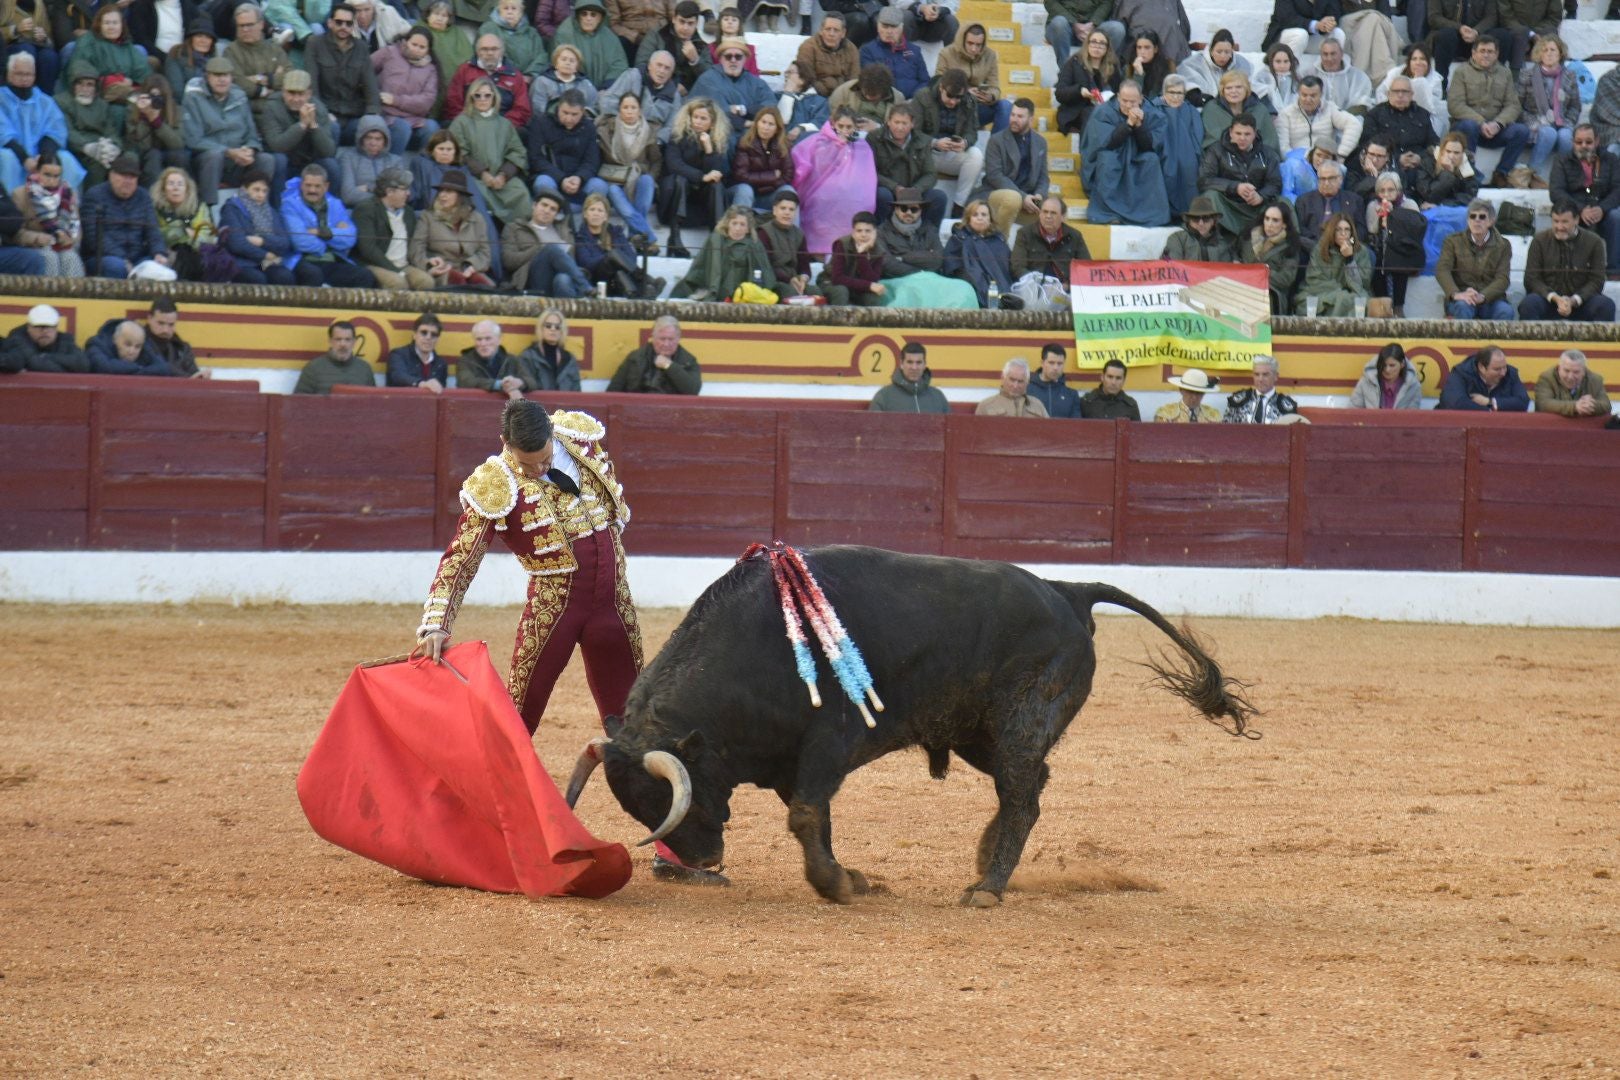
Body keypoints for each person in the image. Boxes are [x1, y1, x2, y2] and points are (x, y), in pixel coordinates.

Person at [410, 400, 710, 885]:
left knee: (638, 726)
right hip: (554, 610)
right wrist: (436, 622)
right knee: (515, 722)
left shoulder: (581, 440)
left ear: (552, 433)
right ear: (507, 447)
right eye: (527, 463)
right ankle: (457, 834)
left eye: (544, 457)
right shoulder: (495, 482)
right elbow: (460, 560)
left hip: (613, 607)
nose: (539, 468)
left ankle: (671, 850)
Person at [1080, 79, 1170, 227]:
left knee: (1151, 160)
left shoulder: (1153, 113)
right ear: (1117, 96)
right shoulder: (1103, 111)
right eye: (1124, 100)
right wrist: (1128, 124)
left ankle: (1148, 214)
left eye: (1133, 102)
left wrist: (1139, 125)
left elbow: (1150, 146)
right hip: (1113, 153)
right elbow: (1107, 143)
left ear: (1141, 99)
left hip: (1138, 156)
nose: (1128, 105)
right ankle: (1110, 213)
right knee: (1107, 160)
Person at [449, 74, 533, 227]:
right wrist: (483, 173)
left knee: (521, 193)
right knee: (476, 194)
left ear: (494, 98)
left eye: (487, 95)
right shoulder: (461, 122)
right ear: (471, 97)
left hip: (503, 180)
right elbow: (460, 153)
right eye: (478, 95)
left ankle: (519, 236)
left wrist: (503, 175)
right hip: (475, 177)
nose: (482, 99)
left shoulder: (504, 124)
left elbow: (517, 152)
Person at [792, 109, 875, 259]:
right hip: (819, 191)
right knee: (823, 203)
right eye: (840, 126)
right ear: (833, 124)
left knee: (860, 203)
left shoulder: (862, 146)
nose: (844, 130)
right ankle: (820, 257)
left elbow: (867, 176)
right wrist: (835, 148)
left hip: (852, 195)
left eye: (849, 127)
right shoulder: (818, 141)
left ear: (855, 127)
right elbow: (806, 167)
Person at [1448, 36, 1528, 189]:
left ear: (1497, 54)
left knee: (1521, 131)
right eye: (1482, 51)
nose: (1486, 55)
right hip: (1467, 129)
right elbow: (1455, 105)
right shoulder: (1462, 72)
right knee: (1469, 126)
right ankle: (1467, 173)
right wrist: (1481, 122)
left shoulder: (1505, 73)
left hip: (1495, 130)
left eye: (1490, 51)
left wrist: (1498, 124)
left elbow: (1513, 105)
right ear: (1473, 53)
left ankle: (1501, 174)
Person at [281, 162, 377, 288]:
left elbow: (350, 238)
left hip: (332, 260)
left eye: (317, 186)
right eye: (308, 185)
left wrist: (320, 232)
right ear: (301, 185)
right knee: (314, 274)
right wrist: (334, 237)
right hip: (302, 260)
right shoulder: (290, 205)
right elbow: (300, 241)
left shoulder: (336, 204)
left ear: (326, 186)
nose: (312, 190)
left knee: (365, 276)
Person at [0, 52, 84, 195]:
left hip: (40, 155)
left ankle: (67, 209)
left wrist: (44, 157)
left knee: (66, 159)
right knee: (6, 158)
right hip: (12, 152)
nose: (24, 79)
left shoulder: (45, 101)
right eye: (19, 74)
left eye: (29, 74)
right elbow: (3, 132)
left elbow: (55, 130)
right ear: (9, 75)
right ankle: (12, 208)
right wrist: (24, 158)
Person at [659, 96, 733, 255]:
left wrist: (708, 149)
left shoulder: (717, 141)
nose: (698, 121)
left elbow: (718, 173)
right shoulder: (677, 135)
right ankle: (674, 237)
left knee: (717, 185)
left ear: (712, 123)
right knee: (681, 179)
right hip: (675, 202)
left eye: (703, 118)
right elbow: (674, 165)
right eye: (695, 117)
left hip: (700, 205)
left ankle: (717, 239)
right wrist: (701, 177)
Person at [1519, 202, 1615, 323]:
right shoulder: (1539, 240)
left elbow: (1597, 280)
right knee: (1529, 303)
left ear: (1576, 220)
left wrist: (1573, 301)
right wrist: (1555, 298)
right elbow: (1531, 279)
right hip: (1549, 301)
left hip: (1581, 302)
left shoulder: (1594, 242)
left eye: (1564, 222)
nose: (1559, 227)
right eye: (1556, 221)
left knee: (1605, 305)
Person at [79, 154, 169, 277]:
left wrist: (158, 252)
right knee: (117, 267)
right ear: (111, 175)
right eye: (123, 176)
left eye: (132, 177)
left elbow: (152, 229)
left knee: (158, 269)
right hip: (103, 257)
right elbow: (94, 237)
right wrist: (122, 258)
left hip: (137, 257)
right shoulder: (94, 196)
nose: (128, 181)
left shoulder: (143, 196)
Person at [306, 4, 385, 145]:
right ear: (330, 23)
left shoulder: (361, 47)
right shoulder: (315, 43)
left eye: (349, 23)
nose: (344, 27)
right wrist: (323, 113)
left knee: (374, 128)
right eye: (339, 22)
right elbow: (312, 85)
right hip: (326, 113)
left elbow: (370, 85)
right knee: (332, 128)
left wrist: (372, 115)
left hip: (353, 114)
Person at [595, 90, 661, 252]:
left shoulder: (649, 131)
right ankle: (648, 237)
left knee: (647, 181)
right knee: (613, 191)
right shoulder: (607, 129)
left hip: (638, 179)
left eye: (633, 107)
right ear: (619, 110)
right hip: (614, 180)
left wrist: (650, 176)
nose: (630, 111)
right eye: (625, 107)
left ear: (639, 110)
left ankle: (634, 233)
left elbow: (656, 160)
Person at [1198, 112, 1281, 238]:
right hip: (1227, 206)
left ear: (1255, 134)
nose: (1242, 138)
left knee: (1283, 202)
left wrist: (1261, 196)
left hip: (1256, 206)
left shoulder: (1268, 153)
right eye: (1238, 133)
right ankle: (1218, 238)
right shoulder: (1215, 150)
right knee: (1210, 196)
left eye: (1247, 134)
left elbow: (1275, 183)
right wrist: (1235, 187)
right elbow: (1204, 180)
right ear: (1231, 132)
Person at [1551, 125, 1620, 277]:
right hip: (1575, 208)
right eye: (1579, 142)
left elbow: (1617, 189)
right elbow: (1556, 191)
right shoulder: (1562, 160)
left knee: (1616, 218)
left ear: (1597, 141)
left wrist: (1602, 208)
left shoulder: (1611, 159)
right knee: (1567, 218)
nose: (1583, 146)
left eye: (1588, 142)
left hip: (1603, 208)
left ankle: (1614, 271)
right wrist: (1581, 209)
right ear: (1572, 142)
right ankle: (1578, 270)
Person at [411, 167, 495, 287]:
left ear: (461, 196)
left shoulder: (477, 219)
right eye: (441, 191)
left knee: (486, 287)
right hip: (442, 269)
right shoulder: (428, 217)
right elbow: (416, 250)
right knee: (458, 283)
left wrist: (471, 266)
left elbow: (485, 253)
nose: (442, 195)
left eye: (449, 191)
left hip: (469, 269)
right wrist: (429, 264)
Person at [352, 167, 436, 289]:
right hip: (375, 264)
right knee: (398, 283)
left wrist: (427, 262)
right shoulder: (366, 209)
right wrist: (395, 271)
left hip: (403, 265)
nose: (408, 193)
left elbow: (414, 244)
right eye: (405, 189)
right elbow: (368, 249)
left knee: (426, 282)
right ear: (389, 191)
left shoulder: (408, 212)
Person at [671, 203, 773, 300]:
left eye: (742, 224)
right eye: (734, 223)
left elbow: (763, 271)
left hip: (743, 294)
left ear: (748, 229)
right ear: (728, 224)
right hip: (719, 289)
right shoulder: (715, 240)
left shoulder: (755, 244)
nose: (738, 228)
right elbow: (700, 265)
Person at [912, 67, 981, 210]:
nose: (953, 101)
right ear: (941, 87)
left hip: (952, 151)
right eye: (950, 95)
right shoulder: (922, 96)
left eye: (958, 97)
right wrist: (934, 143)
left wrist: (965, 143)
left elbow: (972, 132)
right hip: (926, 152)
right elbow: (913, 132)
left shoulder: (969, 101)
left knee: (976, 155)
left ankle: (959, 206)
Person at [502, 189, 593, 296]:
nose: (547, 211)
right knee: (551, 249)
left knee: (563, 279)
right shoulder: (514, 228)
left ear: (556, 214)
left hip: (560, 279)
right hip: (531, 279)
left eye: (553, 209)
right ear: (534, 205)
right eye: (544, 205)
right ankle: (585, 287)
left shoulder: (564, 231)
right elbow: (508, 261)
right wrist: (539, 249)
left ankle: (570, 310)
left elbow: (570, 262)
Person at [1436, 197, 1514, 320]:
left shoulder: (1503, 245)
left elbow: (1503, 278)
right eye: (1473, 216)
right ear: (1468, 220)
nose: (1477, 220)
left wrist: (1482, 296)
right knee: (1462, 307)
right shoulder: (1452, 241)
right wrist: (1456, 294)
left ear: (1491, 221)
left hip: (1490, 299)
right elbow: (1442, 270)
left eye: (1482, 217)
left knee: (1506, 311)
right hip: (1462, 297)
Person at [575, 190, 664, 296]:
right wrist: (609, 257)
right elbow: (586, 263)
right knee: (613, 254)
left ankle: (641, 293)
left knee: (619, 271)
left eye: (600, 210)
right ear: (585, 214)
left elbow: (631, 257)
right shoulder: (580, 237)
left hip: (619, 278)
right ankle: (645, 279)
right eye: (592, 209)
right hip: (599, 279)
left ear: (606, 216)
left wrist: (616, 262)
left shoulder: (616, 232)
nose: (596, 213)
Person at [258, 69, 339, 184]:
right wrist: (302, 125)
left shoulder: (319, 108)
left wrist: (313, 125)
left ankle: (332, 202)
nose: (296, 99)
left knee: (331, 165)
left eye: (301, 94)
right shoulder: (272, 107)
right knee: (279, 160)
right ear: (283, 92)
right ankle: (277, 201)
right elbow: (277, 146)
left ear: (309, 94)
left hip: (309, 162)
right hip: (285, 162)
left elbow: (329, 151)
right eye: (291, 93)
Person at [870, 101, 943, 227]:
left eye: (904, 123)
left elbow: (930, 174)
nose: (900, 127)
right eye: (896, 122)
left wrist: (916, 190)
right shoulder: (874, 138)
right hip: (889, 189)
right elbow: (870, 172)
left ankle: (928, 236)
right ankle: (882, 233)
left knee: (938, 197)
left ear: (912, 124)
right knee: (882, 195)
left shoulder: (923, 141)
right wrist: (895, 187)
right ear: (888, 121)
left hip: (914, 191)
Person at [1517, 35, 1577, 189]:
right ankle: (1532, 174)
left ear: (1560, 53)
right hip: (1535, 121)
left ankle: (1564, 177)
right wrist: (1535, 123)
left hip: (1562, 122)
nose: (1549, 53)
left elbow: (1575, 106)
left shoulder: (1569, 75)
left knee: (1565, 136)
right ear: (1539, 54)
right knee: (1549, 133)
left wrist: (1568, 123)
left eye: (1553, 50)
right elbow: (1518, 105)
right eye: (1545, 50)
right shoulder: (1527, 75)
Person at [10, 150, 83, 276]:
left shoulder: (68, 194)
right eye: (47, 175)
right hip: (34, 247)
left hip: (62, 246)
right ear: (37, 173)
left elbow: (76, 226)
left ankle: (73, 295)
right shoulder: (21, 194)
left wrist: (70, 238)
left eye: (56, 176)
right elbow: (16, 232)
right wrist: (38, 238)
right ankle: (47, 295)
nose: (51, 180)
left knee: (71, 258)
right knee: (49, 258)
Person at [1359, 75, 1437, 191]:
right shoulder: (1375, 115)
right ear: (1388, 94)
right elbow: (1366, 145)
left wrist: (1420, 158)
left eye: (1404, 92)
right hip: (1386, 166)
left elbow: (1434, 143)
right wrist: (1396, 159)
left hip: (1419, 165)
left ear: (1411, 95)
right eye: (1396, 91)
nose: (1400, 95)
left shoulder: (1422, 114)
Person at [1363, 171, 1425, 316]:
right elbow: (1372, 230)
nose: (1386, 194)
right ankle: (1383, 306)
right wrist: (1381, 217)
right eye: (1382, 190)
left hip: (1404, 247)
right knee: (1376, 262)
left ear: (1398, 190)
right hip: (1380, 246)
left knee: (1399, 262)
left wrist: (1394, 214)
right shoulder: (1373, 205)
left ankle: (1398, 306)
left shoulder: (1409, 204)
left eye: (1390, 190)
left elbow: (1415, 229)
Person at [982, 98, 1046, 238]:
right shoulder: (996, 140)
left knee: (1054, 210)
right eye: (1012, 115)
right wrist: (1023, 197)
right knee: (1013, 198)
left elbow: (1043, 177)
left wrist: (1039, 196)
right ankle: (997, 244)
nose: (1014, 119)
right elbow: (995, 176)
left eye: (1020, 116)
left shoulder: (1041, 142)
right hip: (998, 196)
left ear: (1030, 120)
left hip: (1027, 198)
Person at [528, 90, 603, 208]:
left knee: (599, 186)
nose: (569, 118)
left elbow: (592, 161)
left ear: (583, 112)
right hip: (551, 176)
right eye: (565, 113)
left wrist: (580, 178)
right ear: (558, 108)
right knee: (543, 183)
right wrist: (561, 179)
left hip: (578, 179)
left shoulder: (589, 127)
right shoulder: (541, 122)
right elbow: (536, 158)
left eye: (574, 114)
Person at [372, 27, 441, 155]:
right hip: (385, 115)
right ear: (406, 42)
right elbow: (365, 71)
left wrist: (395, 100)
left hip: (414, 119)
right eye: (414, 44)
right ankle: (392, 167)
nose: (416, 49)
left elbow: (426, 101)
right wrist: (375, 94)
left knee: (432, 127)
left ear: (428, 50)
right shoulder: (390, 52)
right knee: (401, 127)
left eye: (422, 47)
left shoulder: (431, 70)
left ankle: (423, 165)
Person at [944, 199, 1021, 308]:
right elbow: (951, 267)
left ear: (990, 219)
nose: (980, 218)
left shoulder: (999, 241)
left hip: (1004, 293)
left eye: (984, 215)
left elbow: (1010, 268)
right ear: (968, 218)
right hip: (972, 294)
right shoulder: (958, 239)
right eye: (975, 215)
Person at [445, 32, 532, 127]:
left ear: (502, 51)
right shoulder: (464, 70)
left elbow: (522, 109)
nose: (490, 53)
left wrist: (502, 126)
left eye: (494, 49)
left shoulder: (515, 75)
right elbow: (453, 102)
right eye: (484, 49)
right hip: (469, 123)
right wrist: (468, 123)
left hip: (502, 127)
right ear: (477, 51)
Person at [688, 36, 774, 130]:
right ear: (720, 59)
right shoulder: (708, 79)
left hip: (752, 135)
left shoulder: (757, 83)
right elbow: (718, 112)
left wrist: (741, 109)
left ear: (745, 59)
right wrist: (748, 123)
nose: (733, 60)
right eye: (728, 56)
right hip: (717, 134)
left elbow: (770, 107)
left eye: (738, 57)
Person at [225, 4, 290, 126]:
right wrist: (267, 88)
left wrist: (260, 79)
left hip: (280, 111)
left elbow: (289, 77)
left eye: (249, 25)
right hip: (249, 113)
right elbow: (238, 83)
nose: (245, 29)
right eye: (241, 26)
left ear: (261, 24)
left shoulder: (275, 49)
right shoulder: (230, 52)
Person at [936, 22, 1006, 132]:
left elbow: (995, 85)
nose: (974, 49)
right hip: (954, 105)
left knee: (1005, 106)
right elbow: (938, 82)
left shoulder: (990, 55)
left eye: (978, 45)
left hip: (978, 106)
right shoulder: (946, 53)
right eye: (970, 43)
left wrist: (990, 96)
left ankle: (996, 146)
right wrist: (965, 92)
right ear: (962, 40)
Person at [607, 314, 701, 394]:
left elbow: (693, 391)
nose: (666, 344)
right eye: (662, 339)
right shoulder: (636, 358)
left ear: (678, 339)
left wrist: (669, 366)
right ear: (653, 338)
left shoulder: (688, 361)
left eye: (671, 339)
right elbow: (613, 390)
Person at [1054, 28, 1121, 137]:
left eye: (1102, 43)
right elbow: (1060, 93)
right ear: (1087, 44)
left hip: (1106, 111)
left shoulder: (1112, 67)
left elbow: (1119, 92)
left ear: (1107, 48)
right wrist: (1079, 91)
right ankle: (1089, 152)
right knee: (1091, 113)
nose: (1097, 46)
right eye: (1093, 41)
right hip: (1076, 113)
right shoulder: (1074, 62)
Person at [1302, 211, 1371, 315]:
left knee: (1354, 301)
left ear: (1352, 232)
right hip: (1321, 293)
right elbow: (1314, 279)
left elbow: (1362, 284)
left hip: (1352, 295)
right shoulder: (1319, 250)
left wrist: (1350, 259)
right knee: (1343, 299)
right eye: (1338, 230)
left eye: (1347, 230)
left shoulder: (1361, 251)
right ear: (1331, 231)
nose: (1343, 233)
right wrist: (1339, 291)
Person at [599, 49, 685, 133]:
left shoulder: (674, 95)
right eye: (659, 65)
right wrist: (623, 120)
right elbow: (608, 101)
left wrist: (659, 141)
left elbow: (672, 126)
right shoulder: (632, 76)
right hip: (622, 128)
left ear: (671, 74)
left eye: (667, 68)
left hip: (652, 139)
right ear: (649, 66)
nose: (662, 71)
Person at [1424, 0, 1511, 82]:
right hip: (1451, 39)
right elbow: (1434, 17)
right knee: (1445, 35)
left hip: (1478, 39)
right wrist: (1459, 28)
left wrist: (1476, 31)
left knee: (1503, 35)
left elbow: (1492, 17)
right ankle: (1441, 86)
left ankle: (1496, 83)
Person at [730, 105, 793, 213]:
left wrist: (767, 187)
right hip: (743, 193)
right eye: (763, 122)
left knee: (789, 191)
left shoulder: (782, 146)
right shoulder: (745, 143)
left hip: (767, 195)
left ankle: (792, 230)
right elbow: (741, 176)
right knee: (745, 190)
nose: (766, 127)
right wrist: (772, 176)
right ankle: (739, 226)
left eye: (771, 124)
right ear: (756, 123)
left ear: (777, 129)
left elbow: (788, 174)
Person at [1280, 76, 1362, 159]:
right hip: (1296, 161)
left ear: (1321, 94)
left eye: (1313, 95)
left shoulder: (1330, 109)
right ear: (1298, 93)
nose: (1308, 99)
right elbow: (1283, 147)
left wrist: (1341, 154)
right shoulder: (1286, 114)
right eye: (1304, 95)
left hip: (1325, 158)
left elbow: (1354, 124)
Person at [1012, 195, 1090, 281]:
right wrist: (1035, 282)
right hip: (1034, 287)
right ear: (1039, 214)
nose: (1048, 216)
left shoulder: (1075, 236)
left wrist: (1068, 285)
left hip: (1065, 288)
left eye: (1053, 213)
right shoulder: (1024, 233)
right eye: (1045, 212)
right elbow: (1017, 267)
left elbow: (1086, 267)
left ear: (1063, 217)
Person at [1242, 201, 1301, 313]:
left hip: (1272, 294)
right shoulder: (1248, 238)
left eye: (1275, 220)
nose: (1269, 224)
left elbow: (1285, 279)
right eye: (1267, 218)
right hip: (1244, 288)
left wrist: (1260, 273)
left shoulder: (1290, 246)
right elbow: (1237, 258)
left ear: (1284, 224)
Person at [638, 2, 711, 93]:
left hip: (689, 96)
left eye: (690, 23)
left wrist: (695, 60)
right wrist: (671, 86)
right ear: (674, 19)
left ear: (696, 23)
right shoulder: (657, 34)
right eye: (682, 21)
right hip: (656, 90)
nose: (685, 28)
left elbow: (710, 79)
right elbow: (641, 66)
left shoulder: (700, 44)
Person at [1374, 46, 1445, 139]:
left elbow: (1429, 106)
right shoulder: (1395, 73)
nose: (1418, 63)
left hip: (1422, 116)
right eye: (1414, 59)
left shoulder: (1435, 79)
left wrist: (1418, 80)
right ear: (1409, 62)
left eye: (1422, 59)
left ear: (1428, 62)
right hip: (1393, 111)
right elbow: (1382, 92)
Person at [860, 6, 929, 101]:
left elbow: (925, 81)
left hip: (913, 103)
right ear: (878, 27)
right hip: (883, 103)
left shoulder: (915, 50)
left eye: (893, 26)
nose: (889, 31)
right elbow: (871, 83)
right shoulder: (867, 51)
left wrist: (914, 100)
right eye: (885, 26)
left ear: (901, 27)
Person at [337, 114, 405, 207]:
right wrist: (385, 197)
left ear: (385, 140)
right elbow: (348, 196)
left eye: (378, 139)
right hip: (361, 210)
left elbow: (400, 195)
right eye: (368, 138)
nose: (373, 143)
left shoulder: (395, 161)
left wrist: (369, 187)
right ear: (361, 139)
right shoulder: (348, 158)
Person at [824, 209, 890, 305]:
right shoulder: (842, 244)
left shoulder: (879, 251)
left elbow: (872, 280)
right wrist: (868, 285)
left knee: (874, 298)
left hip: (858, 288)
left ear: (875, 232)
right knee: (841, 291)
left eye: (868, 231)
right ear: (853, 232)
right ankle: (838, 320)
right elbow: (837, 278)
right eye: (859, 231)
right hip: (831, 282)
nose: (863, 235)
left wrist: (861, 254)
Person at [0, 303, 89, 373]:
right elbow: (36, 365)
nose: (44, 331)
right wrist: (66, 368)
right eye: (39, 327)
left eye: (49, 326)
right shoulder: (17, 339)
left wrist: (46, 356)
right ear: (29, 328)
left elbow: (82, 364)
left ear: (56, 327)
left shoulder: (65, 340)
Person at [1436, 344, 1528, 411]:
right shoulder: (1461, 373)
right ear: (1481, 367)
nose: (1503, 373)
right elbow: (1455, 403)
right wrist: (1489, 412)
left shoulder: (1511, 373)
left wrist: (1490, 402)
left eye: (1504, 367)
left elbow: (1523, 402)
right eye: (1497, 369)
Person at [1296, 159, 1363, 251]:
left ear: (1340, 179)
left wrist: (1349, 243)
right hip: (1313, 247)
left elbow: (1361, 230)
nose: (1326, 183)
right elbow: (1300, 229)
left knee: (1369, 254)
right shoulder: (1304, 201)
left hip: (1347, 245)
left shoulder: (1354, 200)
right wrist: (1319, 245)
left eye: (1331, 178)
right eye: (1322, 179)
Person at [293, 320, 377, 393]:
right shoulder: (313, 368)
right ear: (330, 341)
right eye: (338, 339)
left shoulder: (365, 369)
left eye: (347, 339)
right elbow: (299, 402)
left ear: (354, 342)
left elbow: (373, 402)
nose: (343, 344)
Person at [868, 340, 950, 412]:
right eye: (910, 362)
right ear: (901, 364)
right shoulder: (884, 396)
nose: (914, 367)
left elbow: (950, 428)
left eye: (918, 362)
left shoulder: (938, 397)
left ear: (924, 365)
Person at [512, 310, 582, 392]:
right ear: (541, 328)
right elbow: (525, 388)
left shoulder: (570, 359)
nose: (553, 329)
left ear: (562, 330)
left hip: (565, 404)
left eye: (557, 327)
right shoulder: (528, 357)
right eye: (548, 326)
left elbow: (577, 390)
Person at [1179, 28, 1254, 104]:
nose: (1223, 56)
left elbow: (1249, 87)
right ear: (1211, 51)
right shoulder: (1194, 63)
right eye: (1219, 52)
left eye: (1227, 52)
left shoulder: (1242, 63)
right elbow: (1186, 86)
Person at [479, 0, 549, 78]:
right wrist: (515, 77)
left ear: (521, 11)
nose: (510, 12)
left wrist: (530, 75)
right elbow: (488, 55)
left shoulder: (531, 32)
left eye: (514, 8)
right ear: (499, 10)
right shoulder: (488, 28)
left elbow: (541, 56)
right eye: (506, 8)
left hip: (529, 79)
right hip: (499, 76)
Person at [795, 10, 858, 97]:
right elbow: (807, 80)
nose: (831, 34)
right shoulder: (808, 47)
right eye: (828, 29)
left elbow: (854, 80)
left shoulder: (852, 49)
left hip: (844, 97)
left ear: (843, 33)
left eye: (836, 30)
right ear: (821, 30)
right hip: (816, 96)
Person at [457, 318, 527, 397]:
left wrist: (519, 382)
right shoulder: (465, 360)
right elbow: (466, 382)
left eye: (488, 338)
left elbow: (532, 382)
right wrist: (501, 385)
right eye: (479, 339)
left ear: (499, 339)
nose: (483, 343)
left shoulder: (512, 360)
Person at [1534, 348, 1612, 418]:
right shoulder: (1546, 378)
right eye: (1566, 371)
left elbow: (1606, 405)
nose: (1570, 377)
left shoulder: (1595, 380)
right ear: (1559, 368)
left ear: (1584, 371)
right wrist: (1575, 407)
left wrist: (1590, 405)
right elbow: (1543, 404)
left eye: (1576, 372)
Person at [531, 44, 600, 120]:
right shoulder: (542, 82)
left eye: (572, 61)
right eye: (563, 59)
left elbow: (594, 107)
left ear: (577, 66)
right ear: (555, 62)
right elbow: (537, 110)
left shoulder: (585, 84)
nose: (568, 63)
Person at [828, 62, 902, 133]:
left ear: (884, 91)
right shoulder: (844, 91)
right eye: (866, 93)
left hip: (881, 137)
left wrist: (878, 127)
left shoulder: (897, 98)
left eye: (874, 95)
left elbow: (900, 127)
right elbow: (832, 117)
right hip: (849, 132)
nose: (868, 97)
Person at [1222, 354, 1298, 423]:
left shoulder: (1287, 406)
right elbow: (1225, 430)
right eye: (1257, 374)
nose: (1260, 379)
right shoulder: (1237, 401)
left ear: (1276, 376)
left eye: (1265, 375)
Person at [1263, 0, 1345, 62]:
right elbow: (1286, 18)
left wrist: (1328, 23)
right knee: (1301, 34)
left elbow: (1335, 12)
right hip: (1284, 38)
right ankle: (1290, 75)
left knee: (1337, 33)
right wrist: (1316, 25)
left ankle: (1331, 76)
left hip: (1311, 39)